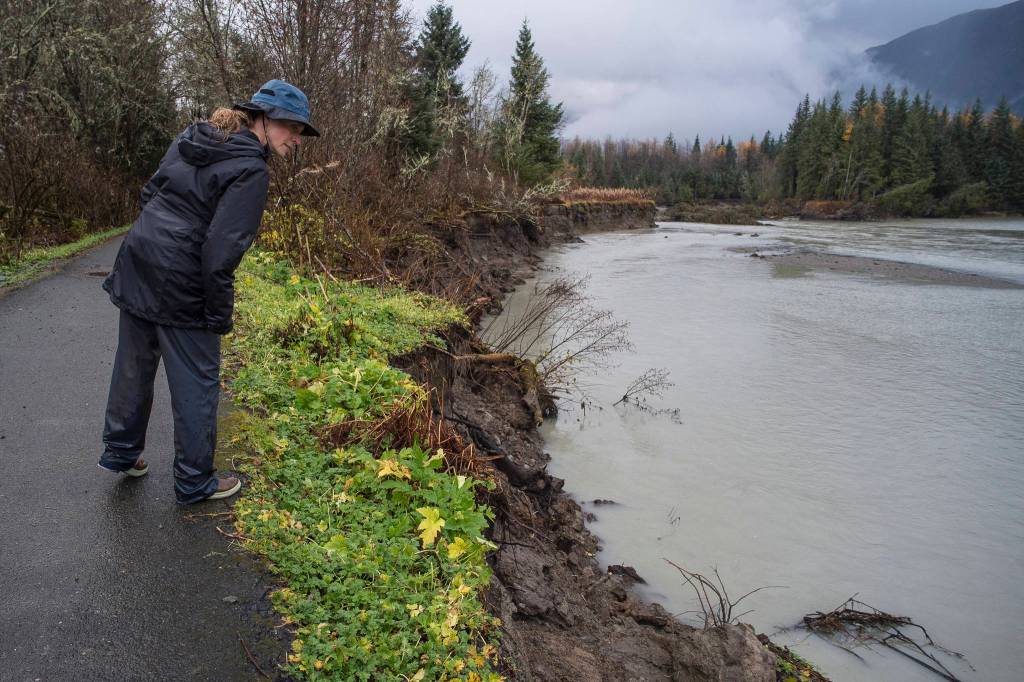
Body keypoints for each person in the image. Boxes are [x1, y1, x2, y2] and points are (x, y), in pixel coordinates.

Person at [97, 79, 319, 504]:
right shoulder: (251, 169)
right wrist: (218, 315)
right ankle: (195, 481)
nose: (296, 138)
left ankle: (121, 453)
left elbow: (150, 193)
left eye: (301, 131)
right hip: (182, 282)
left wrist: (157, 240)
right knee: (197, 380)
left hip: (140, 260)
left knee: (134, 363)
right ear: (263, 118)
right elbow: (220, 253)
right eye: (291, 126)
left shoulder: (192, 136)